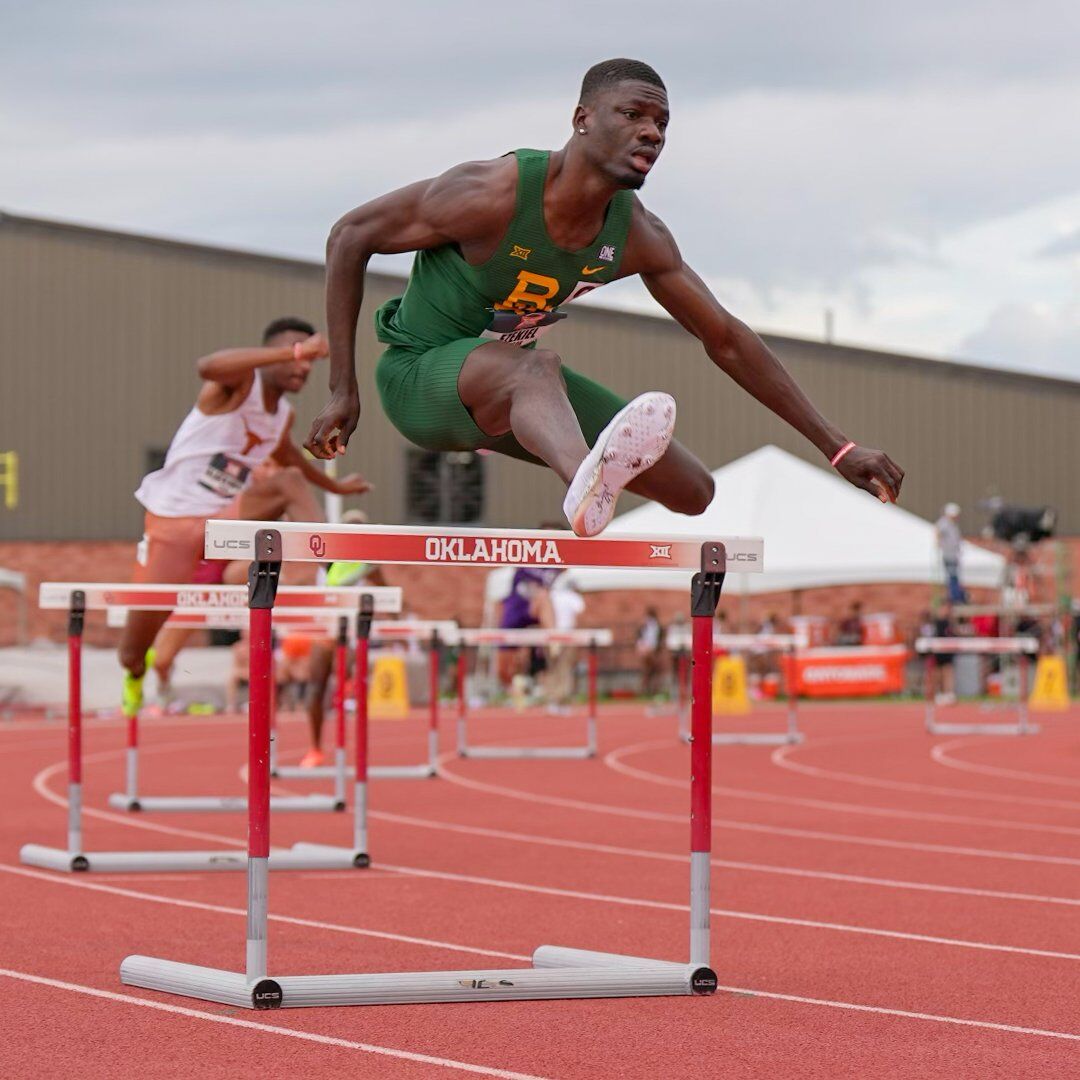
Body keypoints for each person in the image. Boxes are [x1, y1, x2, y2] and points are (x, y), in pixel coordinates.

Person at [305, 58, 903, 537]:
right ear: (582, 118)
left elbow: (726, 338)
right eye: (634, 115)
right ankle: (583, 483)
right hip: (420, 379)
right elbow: (349, 235)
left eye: (663, 124)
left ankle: (587, 475)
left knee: (693, 491)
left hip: (511, 398)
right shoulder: (490, 193)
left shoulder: (638, 235)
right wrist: (341, 389)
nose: (652, 132)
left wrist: (838, 447)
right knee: (536, 366)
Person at [119, 317, 372, 717]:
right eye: (296, 358)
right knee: (134, 649)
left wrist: (339, 489)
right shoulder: (236, 386)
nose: (304, 368)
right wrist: (294, 350)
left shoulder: (282, 415)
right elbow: (207, 365)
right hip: (175, 523)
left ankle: (333, 560)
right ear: (273, 354)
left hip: (225, 519)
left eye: (309, 362)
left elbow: (292, 461)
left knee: (286, 479)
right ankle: (136, 674)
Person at [298, 509, 387, 768]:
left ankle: (350, 701)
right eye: (349, 527)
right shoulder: (326, 556)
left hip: (352, 631)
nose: (353, 532)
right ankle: (315, 747)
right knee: (315, 687)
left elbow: (385, 589)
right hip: (326, 628)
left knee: (347, 675)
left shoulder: (368, 563)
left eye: (359, 528)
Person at [541, 578, 586, 711]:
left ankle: (551, 699)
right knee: (564, 668)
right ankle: (560, 700)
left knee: (552, 667)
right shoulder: (573, 597)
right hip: (566, 636)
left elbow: (543, 614)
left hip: (551, 635)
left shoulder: (551, 595)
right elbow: (580, 615)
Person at [935, 502, 966, 603]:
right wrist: (939, 544)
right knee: (952, 576)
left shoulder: (952, 525)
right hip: (949, 554)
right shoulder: (944, 523)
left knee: (955, 576)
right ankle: (954, 597)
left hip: (954, 554)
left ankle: (957, 596)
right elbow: (938, 533)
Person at [636, 606, 664, 698]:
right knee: (647, 671)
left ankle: (652, 690)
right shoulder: (643, 627)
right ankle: (645, 690)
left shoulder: (658, 627)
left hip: (654, 652)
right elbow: (639, 640)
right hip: (646, 652)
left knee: (654, 671)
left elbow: (660, 640)